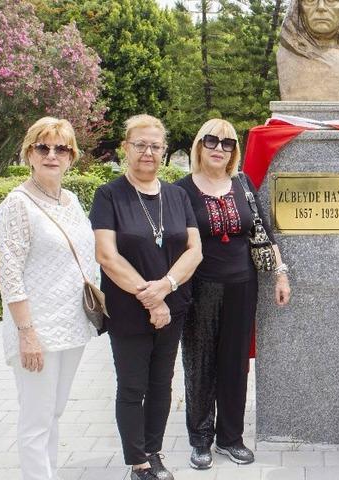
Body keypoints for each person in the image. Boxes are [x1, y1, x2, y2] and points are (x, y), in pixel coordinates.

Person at [90, 114, 203, 480]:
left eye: (155, 146)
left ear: (164, 151)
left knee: (161, 383)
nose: (148, 152)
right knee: (132, 385)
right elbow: (107, 255)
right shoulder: (109, 195)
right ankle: (137, 460)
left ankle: (154, 452)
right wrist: (152, 299)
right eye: (140, 144)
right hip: (128, 309)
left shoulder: (177, 195)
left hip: (173, 307)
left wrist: (166, 288)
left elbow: (194, 250)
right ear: (126, 148)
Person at [175, 118, 291, 469]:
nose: (218, 149)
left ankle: (230, 437)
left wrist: (280, 274)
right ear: (199, 145)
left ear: (234, 151)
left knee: (235, 364)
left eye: (227, 144)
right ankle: (200, 439)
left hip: (243, 285)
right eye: (211, 141)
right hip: (200, 288)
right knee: (200, 363)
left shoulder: (242, 184)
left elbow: (262, 231)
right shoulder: (180, 190)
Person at [0, 117, 98, 480]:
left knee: (53, 412)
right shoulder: (17, 204)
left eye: (61, 148)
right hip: (36, 329)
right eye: (43, 147)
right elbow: (9, 274)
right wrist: (26, 332)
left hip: (71, 325)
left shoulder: (70, 200)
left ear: (72, 157)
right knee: (36, 418)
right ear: (29, 153)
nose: (52, 155)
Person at [276, 0, 339, 101]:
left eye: (331, 0)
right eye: (310, 0)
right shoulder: (286, 56)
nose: (321, 7)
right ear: (298, 8)